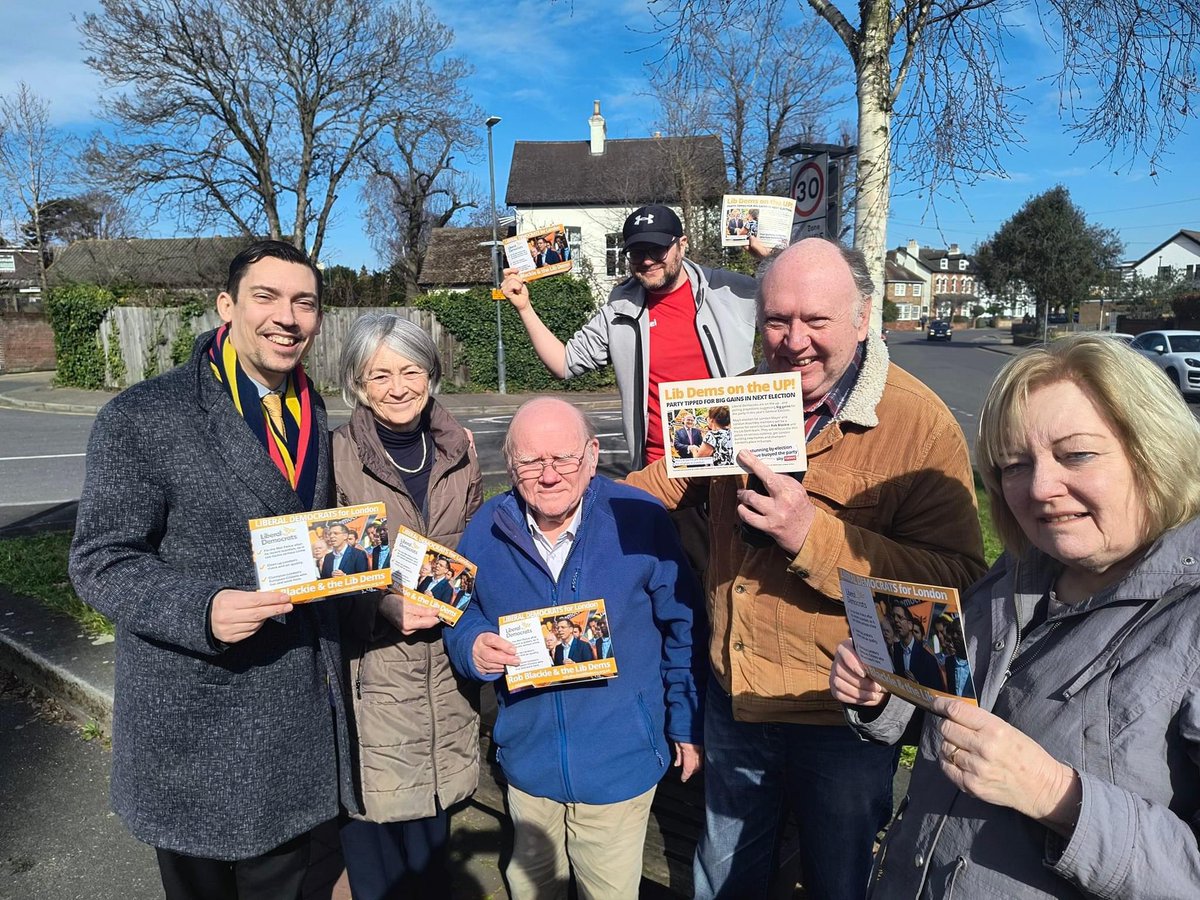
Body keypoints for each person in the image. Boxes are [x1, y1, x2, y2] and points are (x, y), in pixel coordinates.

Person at [625, 237, 986, 900]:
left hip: (843, 717)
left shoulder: (920, 426)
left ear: (862, 318)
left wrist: (813, 537)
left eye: (816, 321)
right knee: (725, 875)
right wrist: (570, 497)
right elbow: (664, 480)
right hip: (738, 698)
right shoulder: (745, 397)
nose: (793, 341)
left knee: (836, 880)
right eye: (776, 321)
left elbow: (961, 587)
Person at [831, 332, 1200, 897]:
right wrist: (881, 695)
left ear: (1152, 449)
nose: (1041, 489)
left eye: (1076, 454)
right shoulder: (1018, 569)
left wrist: (1056, 795)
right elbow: (959, 707)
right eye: (1014, 465)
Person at [68, 240, 356, 900]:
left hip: (295, 724)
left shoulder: (311, 406)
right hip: (197, 728)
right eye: (267, 297)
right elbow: (100, 561)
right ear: (226, 306)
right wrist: (201, 610)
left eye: (304, 302)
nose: (288, 317)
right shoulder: (144, 416)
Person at [443, 397, 705, 900]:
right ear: (510, 462)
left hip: (619, 767)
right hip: (527, 763)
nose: (548, 475)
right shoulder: (485, 530)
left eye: (563, 458)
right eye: (530, 462)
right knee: (532, 889)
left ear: (592, 454)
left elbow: (683, 623)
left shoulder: (639, 518)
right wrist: (470, 643)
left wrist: (685, 721)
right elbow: (458, 607)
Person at [331, 312, 482, 900]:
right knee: (376, 861)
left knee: (431, 858)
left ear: (431, 373)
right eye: (380, 375)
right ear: (358, 385)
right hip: (373, 679)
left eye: (411, 370)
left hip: (444, 678)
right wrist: (379, 607)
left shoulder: (459, 449)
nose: (398, 387)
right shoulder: (335, 455)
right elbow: (318, 572)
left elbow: (475, 545)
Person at [499, 204, 757, 467]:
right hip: (659, 466)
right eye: (636, 253)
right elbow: (564, 363)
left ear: (682, 244)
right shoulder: (620, 308)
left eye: (657, 250)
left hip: (737, 459)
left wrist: (769, 260)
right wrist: (524, 308)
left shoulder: (730, 289)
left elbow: (796, 313)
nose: (646, 260)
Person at [890, 602, 945, 691]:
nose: (896, 620)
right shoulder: (893, 651)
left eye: (900, 617)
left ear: (910, 625)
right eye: (893, 617)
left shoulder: (928, 658)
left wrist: (917, 686)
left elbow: (938, 691)